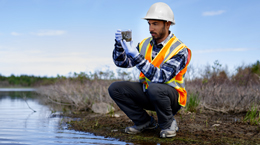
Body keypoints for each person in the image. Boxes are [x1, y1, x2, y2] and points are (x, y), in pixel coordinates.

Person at [108, 2, 192, 138]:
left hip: (171, 99)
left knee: (155, 88)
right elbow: (121, 63)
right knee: (115, 88)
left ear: (168, 24)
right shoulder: (145, 44)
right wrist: (119, 46)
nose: (150, 28)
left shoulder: (180, 50)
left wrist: (136, 56)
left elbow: (161, 77)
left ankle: (168, 124)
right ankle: (144, 122)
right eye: (149, 24)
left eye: (155, 24)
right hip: (149, 92)